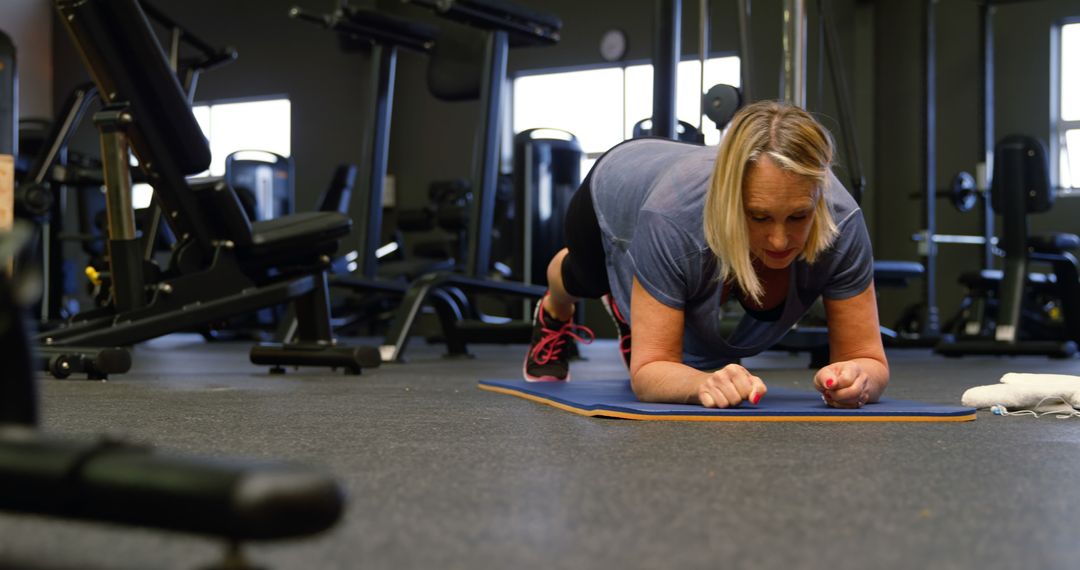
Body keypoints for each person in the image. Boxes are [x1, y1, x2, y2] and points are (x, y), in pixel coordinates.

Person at [523, 100, 889, 409]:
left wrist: (858, 377)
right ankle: (557, 307)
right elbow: (649, 372)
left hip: (675, 211)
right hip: (619, 182)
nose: (779, 241)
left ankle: (636, 301)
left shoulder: (842, 224)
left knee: (698, 356)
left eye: (798, 216)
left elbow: (869, 358)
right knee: (584, 278)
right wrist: (700, 384)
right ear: (732, 201)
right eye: (759, 216)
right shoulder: (671, 217)